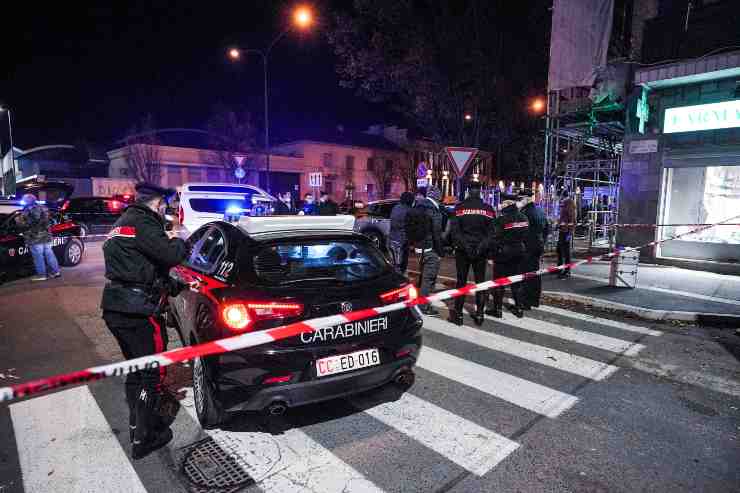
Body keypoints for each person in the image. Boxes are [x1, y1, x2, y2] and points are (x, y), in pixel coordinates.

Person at [100, 183, 188, 460]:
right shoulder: (144, 223)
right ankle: (144, 437)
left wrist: (176, 287)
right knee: (151, 374)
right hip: (139, 311)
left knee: (136, 370)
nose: (166, 210)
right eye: (165, 205)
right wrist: (179, 236)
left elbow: (142, 268)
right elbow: (173, 255)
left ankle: (137, 424)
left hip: (117, 307)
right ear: (158, 203)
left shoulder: (122, 223)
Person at [448, 181, 495, 326]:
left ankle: (458, 315)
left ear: (468, 191)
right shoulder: (488, 209)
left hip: (463, 251)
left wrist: (467, 246)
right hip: (480, 251)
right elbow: (492, 233)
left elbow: (455, 232)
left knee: (461, 282)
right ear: (480, 191)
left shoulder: (459, 208)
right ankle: (480, 315)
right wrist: (480, 247)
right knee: (480, 283)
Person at [484, 193, 529, 318]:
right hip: (519, 252)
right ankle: (519, 308)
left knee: (499, 282)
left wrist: (491, 255)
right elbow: (526, 236)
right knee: (517, 282)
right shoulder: (524, 218)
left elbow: (493, 239)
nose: (501, 205)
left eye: (503, 203)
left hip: (503, 254)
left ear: (507, 204)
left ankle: (497, 310)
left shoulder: (501, 220)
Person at [407, 186, 445, 315]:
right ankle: (423, 306)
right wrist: (440, 252)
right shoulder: (433, 210)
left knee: (423, 275)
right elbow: (437, 233)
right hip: (429, 247)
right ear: (438, 197)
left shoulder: (418, 206)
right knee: (428, 278)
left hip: (419, 246)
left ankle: (420, 301)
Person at [17, 193, 61, 281]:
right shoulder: (43, 207)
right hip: (46, 236)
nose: (23, 201)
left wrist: (18, 220)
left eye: (24, 200)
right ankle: (56, 272)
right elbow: (48, 220)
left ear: (28, 201)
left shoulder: (29, 209)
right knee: (49, 254)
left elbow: (28, 223)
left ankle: (41, 275)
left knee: (38, 257)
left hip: (35, 237)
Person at [519, 191, 549, 309]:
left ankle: (526, 302)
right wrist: (543, 242)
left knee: (526, 274)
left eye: (521, 199)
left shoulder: (525, 213)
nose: (519, 201)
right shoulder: (540, 210)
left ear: (526, 199)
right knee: (535, 273)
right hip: (538, 245)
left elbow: (522, 232)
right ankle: (534, 300)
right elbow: (547, 229)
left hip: (527, 247)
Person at [388, 191, 415, 274]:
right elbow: (410, 226)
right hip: (402, 240)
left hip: (392, 238)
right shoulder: (409, 210)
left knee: (394, 263)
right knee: (401, 265)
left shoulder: (395, 207)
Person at [557, 190, 576, 279]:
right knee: (560, 250)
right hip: (563, 230)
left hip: (566, 231)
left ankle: (567, 270)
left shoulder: (569, 203)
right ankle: (559, 268)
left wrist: (570, 232)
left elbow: (572, 218)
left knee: (566, 251)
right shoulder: (565, 203)